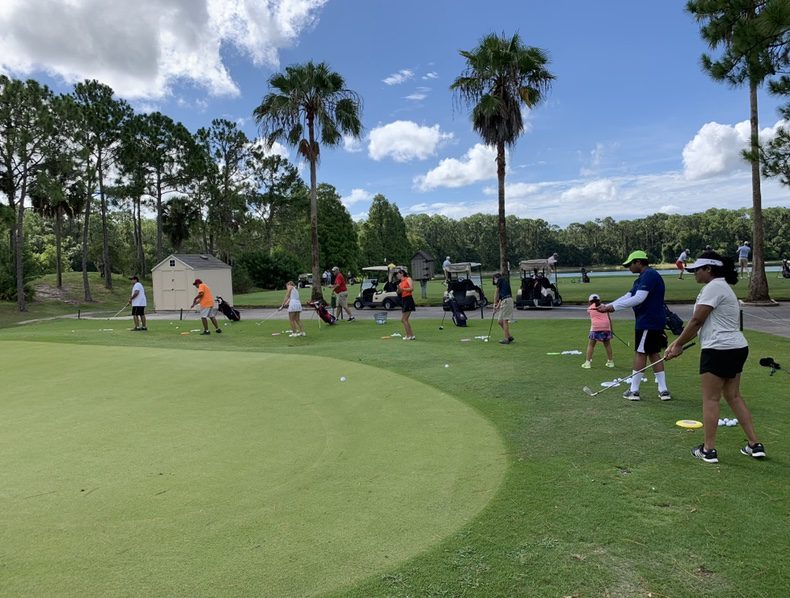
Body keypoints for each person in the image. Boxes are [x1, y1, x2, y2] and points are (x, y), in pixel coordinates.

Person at [665, 251, 765, 463]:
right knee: (733, 396)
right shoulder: (721, 287)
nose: (694, 274)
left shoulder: (713, 287)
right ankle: (754, 445)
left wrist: (678, 344)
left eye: (697, 270)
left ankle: (708, 450)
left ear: (709, 269)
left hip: (718, 349)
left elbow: (696, 321)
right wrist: (676, 344)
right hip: (736, 347)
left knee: (711, 399)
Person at [597, 250, 671, 401]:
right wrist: (608, 305)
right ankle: (663, 391)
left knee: (640, 353)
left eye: (629, 264)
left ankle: (634, 391)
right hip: (652, 321)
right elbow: (629, 295)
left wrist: (613, 308)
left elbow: (639, 298)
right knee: (653, 353)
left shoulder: (649, 275)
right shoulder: (641, 279)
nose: (628, 267)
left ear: (638, 262)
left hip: (648, 321)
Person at [583, 294, 614, 368]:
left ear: (589, 302)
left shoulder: (589, 309)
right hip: (606, 327)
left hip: (595, 328)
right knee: (607, 345)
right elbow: (609, 319)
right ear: (599, 300)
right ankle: (610, 362)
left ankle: (587, 363)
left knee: (591, 345)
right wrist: (611, 330)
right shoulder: (605, 307)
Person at [492, 272, 514, 344]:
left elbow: (496, 293)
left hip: (507, 301)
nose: (494, 282)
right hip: (505, 301)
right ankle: (509, 336)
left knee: (504, 321)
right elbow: (501, 298)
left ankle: (506, 339)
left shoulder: (500, 280)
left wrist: (494, 304)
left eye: (494, 279)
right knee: (500, 321)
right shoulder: (503, 283)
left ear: (496, 278)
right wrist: (497, 307)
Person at [396, 268, 415, 340]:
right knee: (405, 319)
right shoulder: (400, 283)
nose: (397, 275)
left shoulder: (408, 279)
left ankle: (408, 336)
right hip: (404, 300)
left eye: (398, 274)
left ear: (402, 273)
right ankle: (411, 335)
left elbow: (411, 288)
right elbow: (398, 293)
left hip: (408, 299)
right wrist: (398, 289)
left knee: (404, 319)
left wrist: (402, 289)